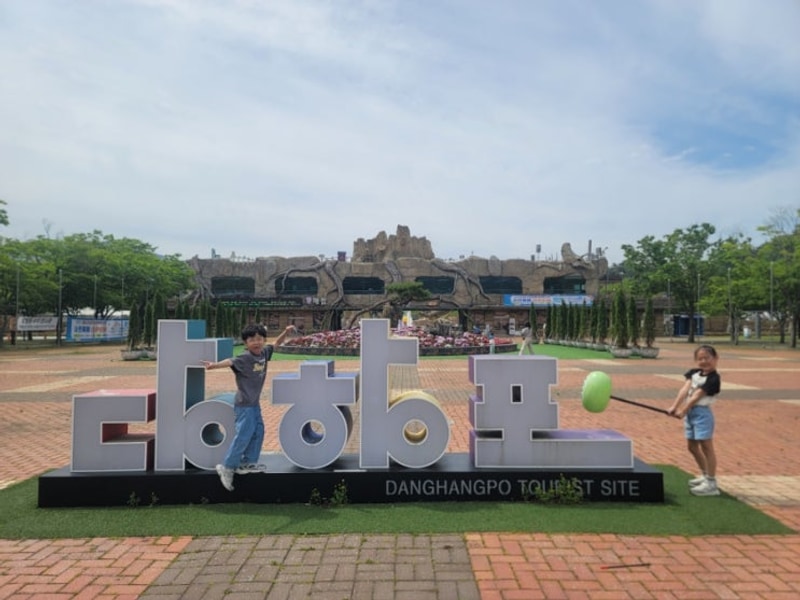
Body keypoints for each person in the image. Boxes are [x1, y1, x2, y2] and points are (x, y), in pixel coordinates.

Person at [203, 323, 295, 492]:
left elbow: (276, 344)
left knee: (258, 431)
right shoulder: (245, 358)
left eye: (259, 339)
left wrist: (285, 332)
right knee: (244, 435)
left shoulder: (264, 353)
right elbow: (230, 361)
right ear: (246, 343)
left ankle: (247, 463)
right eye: (252, 340)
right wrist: (213, 365)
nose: (256, 342)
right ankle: (227, 467)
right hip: (244, 404)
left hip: (254, 403)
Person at [667, 344, 721, 496]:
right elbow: (685, 390)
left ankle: (711, 483)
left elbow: (697, 396)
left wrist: (683, 410)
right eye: (700, 358)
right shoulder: (694, 373)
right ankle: (705, 476)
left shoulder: (714, 378)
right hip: (691, 414)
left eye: (707, 358)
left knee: (706, 446)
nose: (704, 361)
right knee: (692, 447)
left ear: (716, 359)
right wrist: (674, 406)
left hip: (702, 414)